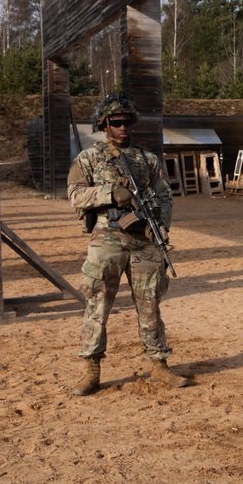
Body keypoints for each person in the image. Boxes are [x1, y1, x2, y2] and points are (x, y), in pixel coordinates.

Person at [66, 92, 191, 396]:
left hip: (143, 240)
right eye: (116, 122)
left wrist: (161, 225)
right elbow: (74, 195)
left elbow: (164, 196)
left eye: (127, 122)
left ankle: (159, 365)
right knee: (98, 304)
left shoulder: (147, 159)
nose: (123, 127)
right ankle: (91, 369)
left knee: (150, 304)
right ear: (104, 124)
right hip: (106, 240)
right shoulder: (89, 158)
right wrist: (109, 193)